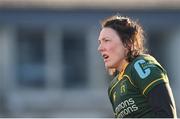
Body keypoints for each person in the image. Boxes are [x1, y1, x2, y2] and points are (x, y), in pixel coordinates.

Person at [97, 15, 177, 118]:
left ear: (127, 43)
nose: (100, 48)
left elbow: (167, 115)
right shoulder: (113, 87)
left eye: (106, 40)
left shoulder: (141, 65)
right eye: (100, 42)